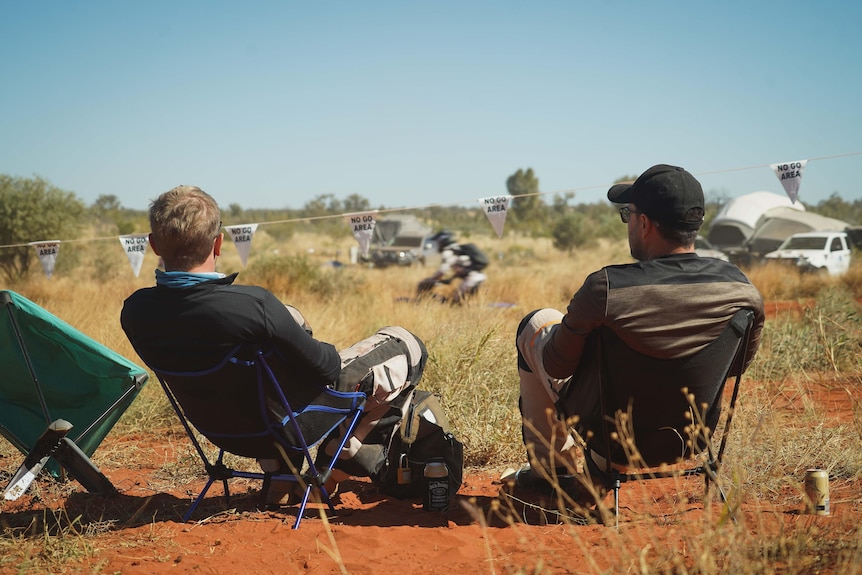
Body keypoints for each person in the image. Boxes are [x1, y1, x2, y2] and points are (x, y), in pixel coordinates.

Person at [120, 185, 428, 505]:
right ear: (219, 243)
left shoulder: (136, 311)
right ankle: (339, 460)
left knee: (289, 320)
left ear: (154, 245)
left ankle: (279, 474)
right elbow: (328, 367)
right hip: (288, 427)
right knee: (406, 344)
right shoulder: (254, 306)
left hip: (222, 432)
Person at [510, 164, 765, 500]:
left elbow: (557, 367)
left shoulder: (607, 289)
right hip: (690, 439)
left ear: (644, 223)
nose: (628, 223)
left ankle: (553, 475)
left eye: (628, 214)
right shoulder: (740, 289)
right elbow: (734, 366)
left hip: (612, 438)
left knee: (536, 322)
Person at [417, 230, 489, 304]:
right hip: (478, 278)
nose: (437, 245)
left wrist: (430, 279)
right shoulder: (457, 249)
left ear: (442, 241)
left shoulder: (448, 252)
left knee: (455, 303)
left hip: (471, 279)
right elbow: (460, 269)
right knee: (460, 301)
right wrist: (448, 280)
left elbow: (442, 271)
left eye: (437, 243)